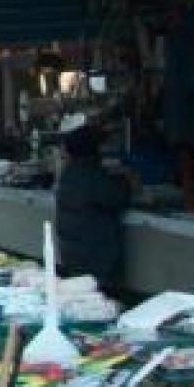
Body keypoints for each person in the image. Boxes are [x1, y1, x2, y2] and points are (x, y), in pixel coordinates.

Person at [55, 125, 133, 293]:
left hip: (73, 254)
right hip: (96, 258)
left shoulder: (69, 174)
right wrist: (126, 180)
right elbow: (118, 197)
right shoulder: (92, 176)